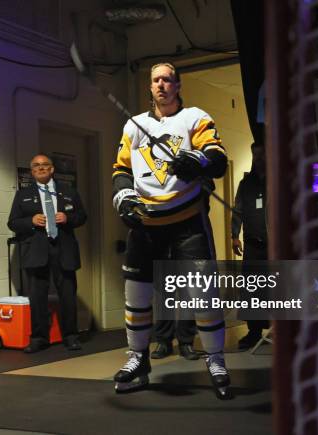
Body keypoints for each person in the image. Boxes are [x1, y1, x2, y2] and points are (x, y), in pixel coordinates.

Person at [111, 62, 230, 397]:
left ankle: (216, 360)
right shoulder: (133, 126)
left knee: (202, 296)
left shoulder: (195, 117)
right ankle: (138, 359)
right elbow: (121, 169)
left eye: (167, 79)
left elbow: (217, 156)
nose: (161, 85)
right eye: (155, 80)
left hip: (187, 223)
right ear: (150, 87)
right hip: (145, 224)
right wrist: (123, 199)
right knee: (136, 297)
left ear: (177, 85)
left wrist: (198, 161)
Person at [7, 154, 87, 353]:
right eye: (36, 166)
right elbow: (13, 222)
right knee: (37, 297)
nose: (41, 168)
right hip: (36, 250)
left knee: (68, 295)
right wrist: (30, 221)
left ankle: (71, 336)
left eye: (45, 165)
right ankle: (38, 338)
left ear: (52, 169)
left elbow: (82, 216)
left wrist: (67, 218)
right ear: (32, 171)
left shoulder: (69, 191)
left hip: (64, 249)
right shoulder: (22, 194)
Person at [231, 142, 271, 350]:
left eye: (262, 155)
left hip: (275, 247)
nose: (258, 159)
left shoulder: (277, 181)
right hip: (253, 246)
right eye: (255, 155)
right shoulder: (246, 183)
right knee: (252, 290)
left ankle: (279, 331)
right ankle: (253, 331)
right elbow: (238, 209)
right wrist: (234, 235)